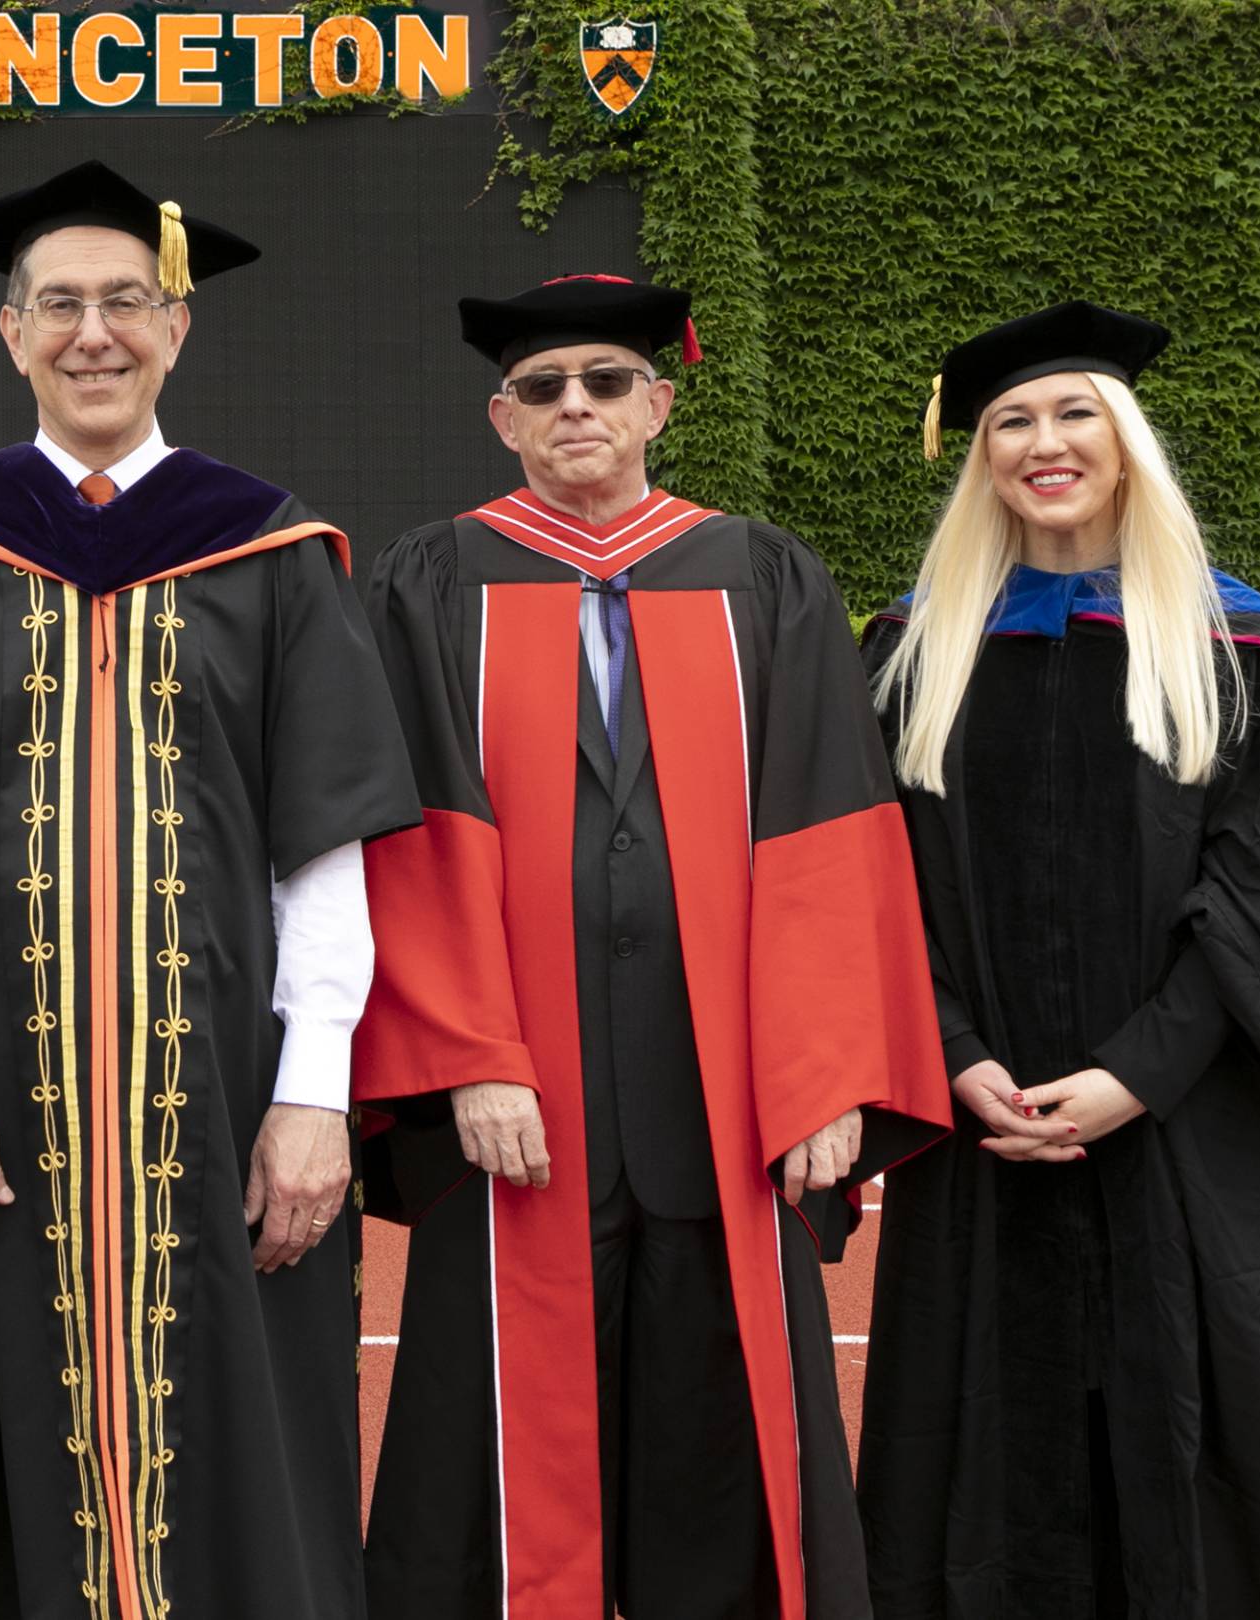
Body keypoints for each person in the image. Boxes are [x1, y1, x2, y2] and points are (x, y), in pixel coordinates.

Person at [0, 160, 421, 1619]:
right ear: (10, 335)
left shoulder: (272, 551)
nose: (93, 334)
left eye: (126, 302)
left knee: (251, 1440)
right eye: (58, 305)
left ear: (176, 328)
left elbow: (322, 847)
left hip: (226, 1092)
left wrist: (318, 1093)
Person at [352, 273, 952, 1620]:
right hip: (520, 1104)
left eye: (607, 383)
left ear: (659, 406)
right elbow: (407, 836)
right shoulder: (434, 580)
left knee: (725, 1443)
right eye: (545, 388)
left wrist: (824, 1074)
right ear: (503, 420)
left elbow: (831, 834)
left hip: (727, 1096)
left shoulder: (763, 576)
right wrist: (469, 1056)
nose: (578, 407)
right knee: (489, 1450)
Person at [856, 301, 1260, 1620]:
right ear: (980, 456)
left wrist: (1135, 1072)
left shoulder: (1232, 646)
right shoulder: (913, 651)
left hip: (1186, 1120)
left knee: (1237, 1436)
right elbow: (874, 889)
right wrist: (952, 1054)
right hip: (986, 1127)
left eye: (1074, 415)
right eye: (1011, 421)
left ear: (1127, 444)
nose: (1042, 443)